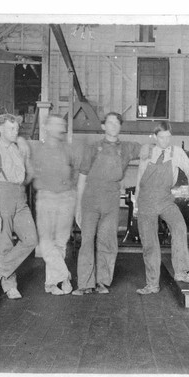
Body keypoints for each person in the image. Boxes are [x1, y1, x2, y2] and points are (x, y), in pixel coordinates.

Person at [72, 112, 143, 295]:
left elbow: (148, 150)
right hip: (90, 198)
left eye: (116, 123)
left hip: (111, 199)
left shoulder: (127, 148)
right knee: (87, 240)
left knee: (107, 241)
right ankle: (84, 284)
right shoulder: (93, 148)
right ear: (103, 126)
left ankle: (102, 282)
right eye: (109, 123)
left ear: (120, 127)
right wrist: (78, 208)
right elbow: (81, 179)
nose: (113, 126)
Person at [133, 121, 189, 295]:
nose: (166, 141)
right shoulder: (147, 151)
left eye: (168, 137)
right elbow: (140, 177)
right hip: (146, 200)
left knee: (179, 226)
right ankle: (152, 284)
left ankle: (181, 271)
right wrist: (136, 203)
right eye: (162, 137)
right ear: (155, 137)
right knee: (150, 242)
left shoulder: (176, 152)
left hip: (165, 198)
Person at [0, 113, 38, 299]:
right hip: (2, 197)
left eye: (16, 129)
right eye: (11, 129)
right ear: (0, 129)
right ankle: (9, 287)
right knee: (5, 245)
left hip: (20, 197)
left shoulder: (17, 149)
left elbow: (26, 177)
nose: (15, 132)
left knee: (31, 239)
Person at [25, 115, 78, 295]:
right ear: (46, 127)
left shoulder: (67, 149)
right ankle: (64, 275)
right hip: (46, 197)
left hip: (66, 198)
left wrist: (72, 195)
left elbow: (75, 173)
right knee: (46, 242)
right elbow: (20, 144)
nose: (60, 128)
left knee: (61, 242)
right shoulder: (36, 148)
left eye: (62, 125)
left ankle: (51, 283)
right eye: (56, 125)